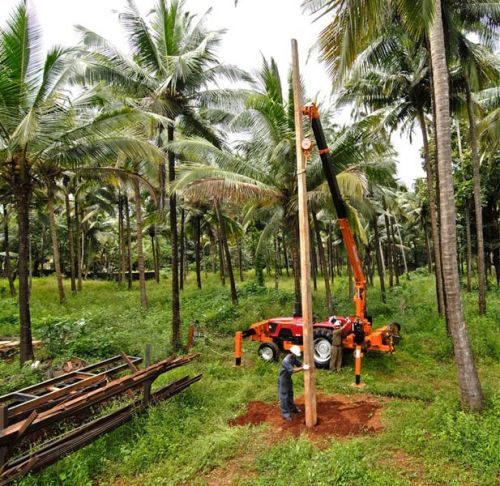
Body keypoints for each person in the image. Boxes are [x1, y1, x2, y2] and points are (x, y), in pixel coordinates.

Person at [278, 345, 309, 421]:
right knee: (284, 396)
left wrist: (304, 365)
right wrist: (303, 368)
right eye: (295, 354)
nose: (295, 355)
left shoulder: (293, 358)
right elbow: (293, 370)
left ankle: (292, 408)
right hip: (283, 380)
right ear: (291, 352)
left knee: (290, 393)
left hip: (288, 378)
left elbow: (299, 363)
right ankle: (286, 414)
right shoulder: (286, 361)